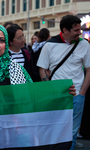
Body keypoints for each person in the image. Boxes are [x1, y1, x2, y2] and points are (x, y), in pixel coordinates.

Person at [37, 15, 90, 150]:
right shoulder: (49, 45)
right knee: (55, 129)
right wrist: (51, 90)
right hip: (56, 97)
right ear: (65, 30)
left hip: (77, 96)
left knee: (72, 133)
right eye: (76, 30)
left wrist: (82, 92)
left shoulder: (84, 44)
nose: (80, 32)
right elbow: (42, 69)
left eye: (80, 29)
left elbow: (89, 69)